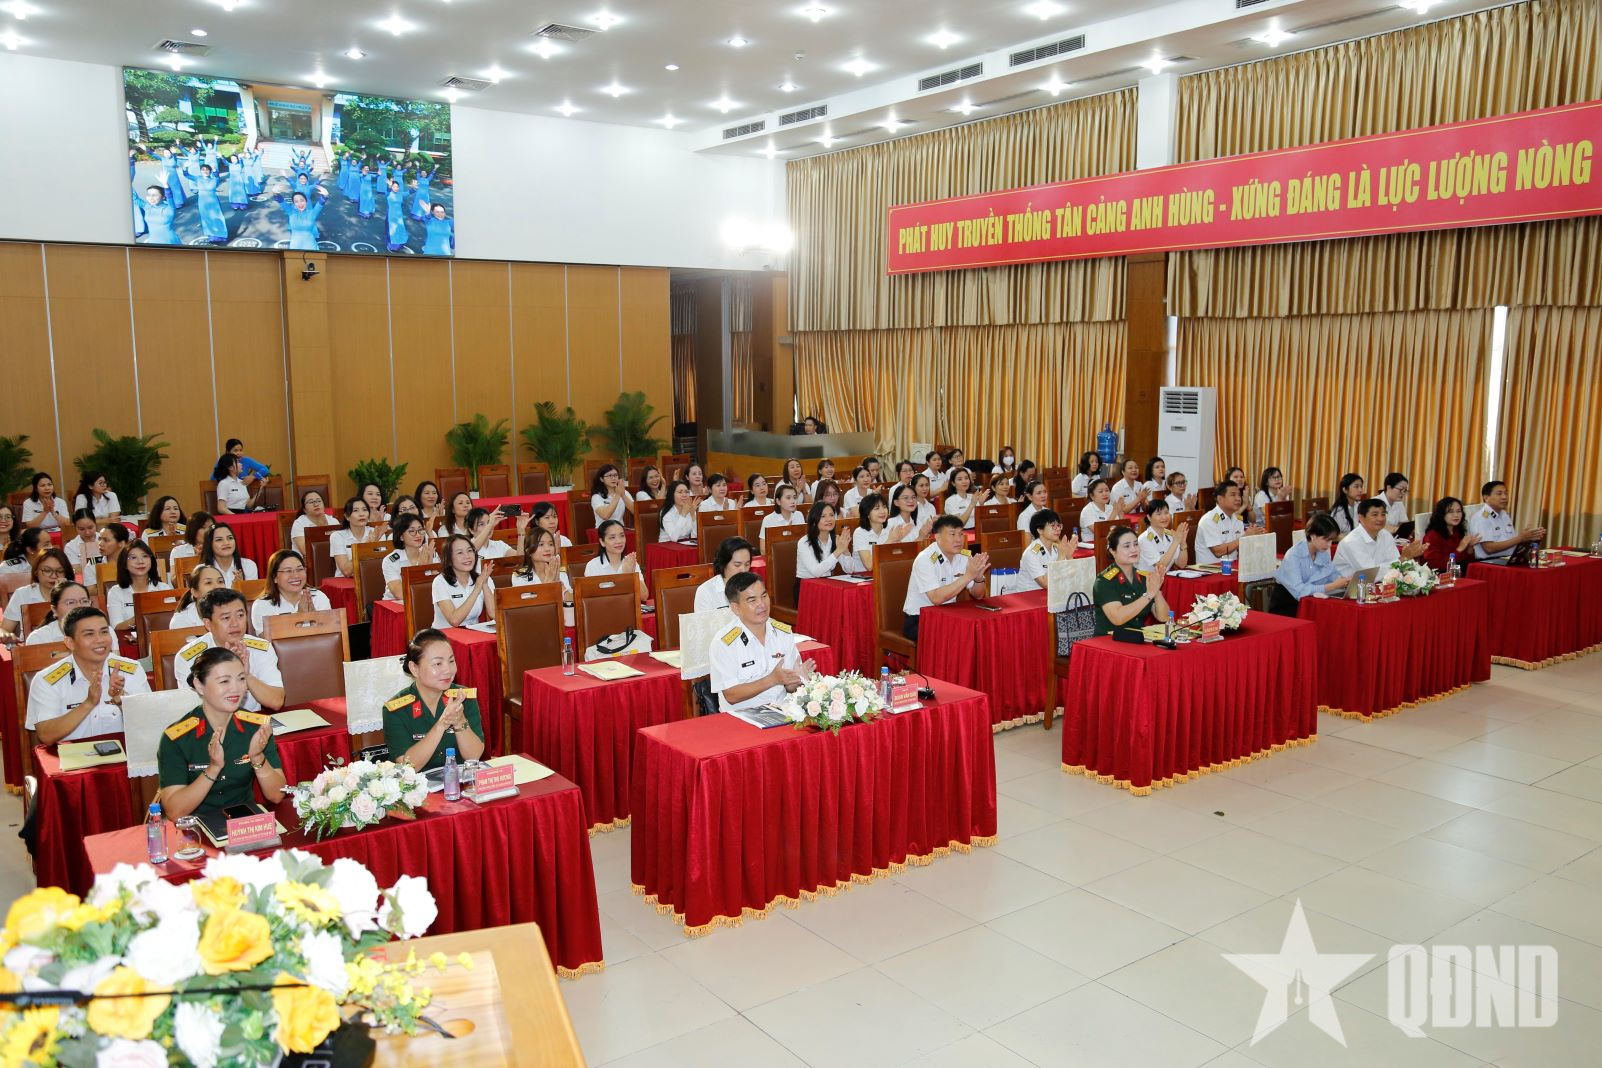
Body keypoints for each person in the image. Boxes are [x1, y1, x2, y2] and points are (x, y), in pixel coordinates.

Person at [156, 647, 286, 821]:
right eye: (224, 681)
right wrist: (213, 769)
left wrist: (257, 757)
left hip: (244, 824)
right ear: (199, 686)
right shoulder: (177, 738)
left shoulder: (256, 728)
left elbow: (277, 795)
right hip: (195, 826)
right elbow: (174, 811)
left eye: (241, 679)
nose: (235, 689)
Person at [26, 606, 151, 745]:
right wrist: (89, 703)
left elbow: (149, 724)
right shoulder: (47, 680)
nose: (100, 640)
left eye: (104, 632)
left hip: (122, 751)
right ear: (70, 643)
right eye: (89, 634)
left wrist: (121, 700)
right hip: (71, 756)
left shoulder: (130, 670)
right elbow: (46, 735)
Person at [709, 572, 816, 714]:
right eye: (752, 600)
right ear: (736, 608)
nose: (762, 604)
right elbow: (731, 695)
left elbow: (790, 687)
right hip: (741, 716)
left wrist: (798, 679)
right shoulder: (724, 643)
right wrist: (772, 679)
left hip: (780, 711)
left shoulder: (783, 633)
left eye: (764, 596)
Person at [384, 629, 486, 770]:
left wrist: (459, 721)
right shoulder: (396, 710)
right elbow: (407, 767)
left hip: (459, 779)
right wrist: (441, 724)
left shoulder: (462, 697)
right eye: (438, 664)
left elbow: (473, 756)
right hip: (418, 782)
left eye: (451, 661)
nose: (448, 670)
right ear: (414, 668)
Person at [172, 589, 284, 711]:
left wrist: (245, 675)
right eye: (226, 618)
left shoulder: (262, 649)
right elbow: (192, 709)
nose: (235, 624)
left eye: (240, 615)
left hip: (251, 719)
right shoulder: (188, 657)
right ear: (208, 623)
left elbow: (276, 701)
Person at [902, 516, 989, 641]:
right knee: (960, 636)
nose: (958, 539)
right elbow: (936, 598)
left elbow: (978, 595)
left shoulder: (964, 556)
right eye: (952, 534)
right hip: (920, 619)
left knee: (979, 630)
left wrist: (978, 578)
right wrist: (969, 575)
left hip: (949, 615)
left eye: (960, 534)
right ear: (938, 537)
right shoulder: (925, 559)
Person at [1094, 526, 1171, 638]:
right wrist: (1148, 595)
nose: (1134, 549)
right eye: (1127, 546)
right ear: (1113, 551)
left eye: (1136, 544)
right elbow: (1118, 618)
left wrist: (1156, 590)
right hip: (1109, 640)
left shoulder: (1144, 577)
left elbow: (1164, 617)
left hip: (1137, 639)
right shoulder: (1104, 581)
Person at [1272, 513, 1346, 612]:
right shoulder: (1293, 555)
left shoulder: (1323, 553)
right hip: (1287, 605)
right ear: (1312, 535)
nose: (1329, 545)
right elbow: (1299, 592)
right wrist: (1334, 586)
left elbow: (1332, 574)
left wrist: (1344, 581)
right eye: (1326, 540)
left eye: (1331, 540)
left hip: (1311, 603)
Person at [1333, 498, 1421, 576]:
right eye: (1375, 515)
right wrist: (1402, 558)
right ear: (1361, 517)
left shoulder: (1385, 535)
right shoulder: (1352, 541)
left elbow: (1395, 563)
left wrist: (1405, 559)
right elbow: (1370, 574)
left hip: (1376, 584)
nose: (1380, 519)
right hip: (1348, 587)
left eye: (1383, 514)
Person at [251, 549, 331, 632]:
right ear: (274, 577)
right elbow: (267, 638)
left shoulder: (318, 597)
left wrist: (314, 618)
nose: (296, 575)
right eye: (288, 571)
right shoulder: (262, 605)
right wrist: (299, 616)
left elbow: (330, 635)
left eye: (299, 569)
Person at [1, 550, 70, 640]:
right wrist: (6, 635)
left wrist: (64, 592)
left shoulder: (75, 592)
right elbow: (5, 628)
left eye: (60, 571)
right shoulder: (22, 594)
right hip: (32, 646)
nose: (54, 576)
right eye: (47, 570)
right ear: (36, 571)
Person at [431, 534, 496, 629]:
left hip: (473, 632)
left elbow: (494, 614)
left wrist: (485, 584)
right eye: (460, 553)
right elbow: (454, 620)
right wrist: (477, 589)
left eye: (470, 551)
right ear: (449, 558)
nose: (467, 556)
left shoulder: (482, 577)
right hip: (445, 635)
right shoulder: (440, 582)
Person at [106, 540, 170, 634]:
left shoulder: (164, 589)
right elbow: (116, 626)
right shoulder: (115, 592)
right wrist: (141, 615)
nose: (140, 561)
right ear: (124, 564)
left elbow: (170, 621)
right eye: (133, 557)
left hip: (160, 636)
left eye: (145, 556)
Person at [1195, 482, 1263, 565]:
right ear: (1220, 499)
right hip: (1210, 569)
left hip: (1232, 565)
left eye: (1239, 495)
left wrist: (1256, 538)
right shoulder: (1209, 520)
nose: (1238, 498)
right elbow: (1218, 552)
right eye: (1233, 495)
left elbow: (1241, 547)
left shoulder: (1237, 518)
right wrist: (1245, 537)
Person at [796, 501, 864, 581]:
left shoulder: (835, 539)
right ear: (814, 521)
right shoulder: (804, 542)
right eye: (823, 516)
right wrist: (838, 551)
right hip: (806, 584)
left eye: (831, 515)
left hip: (826, 583)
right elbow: (816, 572)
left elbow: (850, 570)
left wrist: (845, 551)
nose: (829, 519)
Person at [1418, 497, 1483, 573]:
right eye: (1451, 512)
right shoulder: (1432, 536)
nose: (1456, 515)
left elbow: (1468, 562)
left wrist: (1470, 547)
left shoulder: (1458, 530)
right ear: (1441, 514)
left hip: (1459, 572)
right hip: (1441, 575)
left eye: (1458, 511)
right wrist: (1460, 548)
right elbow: (1434, 566)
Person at [383, 514, 440, 600]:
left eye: (420, 530)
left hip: (424, 600)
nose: (418, 535)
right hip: (395, 604)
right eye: (412, 531)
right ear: (401, 536)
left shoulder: (430, 553)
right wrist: (420, 570)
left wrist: (431, 569)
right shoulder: (390, 561)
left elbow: (440, 588)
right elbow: (399, 594)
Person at [695, 537, 754, 612]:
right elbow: (704, 619)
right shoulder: (705, 591)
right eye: (737, 565)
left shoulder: (754, 586)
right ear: (724, 563)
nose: (743, 570)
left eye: (747, 564)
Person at [25, 582, 92, 646]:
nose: (79, 607)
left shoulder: (98, 630)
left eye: (84, 601)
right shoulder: (39, 639)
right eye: (70, 602)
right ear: (54, 610)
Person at [331, 497, 381, 577]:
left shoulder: (376, 532)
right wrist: (367, 545)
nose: (361, 514)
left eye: (364, 510)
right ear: (347, 516)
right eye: (355, 510)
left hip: (371, 577)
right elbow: (346, 571)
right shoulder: (337, 536)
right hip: (345, 580)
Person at [1138, 499, 1189, 575]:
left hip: (1165, 577)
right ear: (1149, 517)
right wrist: (1175, 542)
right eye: (1158, 514)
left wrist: (1182, 543)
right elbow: (1160, 567)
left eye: (1166, 513)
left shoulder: (1170, 535)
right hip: (1148, 579)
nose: (1164, 517)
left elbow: (1181, 564)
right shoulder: (1144, 539)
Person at [201, 521, 258, 587]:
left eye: (230, 538)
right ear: (209, 544)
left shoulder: (248, 566)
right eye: (219, 540)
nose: (226, 543)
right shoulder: (201, 570)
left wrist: (241, 587)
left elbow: (252, 593)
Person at [1019, 508, 1065, 590]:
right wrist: (1061, 557)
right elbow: (1045, 584)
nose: (1058, 529)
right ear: (1040, 530)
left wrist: (1069, 555)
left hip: (1051, 592)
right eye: (1053, 526)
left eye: (1059, 525)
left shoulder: (1056, 548)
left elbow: (1069, 575)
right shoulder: (1031, 553)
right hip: (1030, 594)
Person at [170, 564, 225, 630]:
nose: (217, 586)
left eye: (220, 581)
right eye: (208, 582)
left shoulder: (233, 611)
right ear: (195, 592)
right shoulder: (181, 621)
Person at [289, 490, 341, 557]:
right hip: (306, 562)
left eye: (319, 501)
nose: (316, 504)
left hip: (332, 560)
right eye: (311, 502)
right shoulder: (299, 524)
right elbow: (305, 551)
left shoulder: (333, 521)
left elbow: (342, 545)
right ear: (304, 509)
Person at [759, 483, 806, 548]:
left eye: (795, 497)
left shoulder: (799, 515)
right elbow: (763, 549)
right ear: (778, 501)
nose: (793, 501)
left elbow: (804, 542)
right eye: (788, 498)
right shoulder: (768, 520)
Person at [853, 493, 891, 568]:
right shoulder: (859, 533)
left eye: (884, 507)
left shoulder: (890, 529)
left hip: (885, 571)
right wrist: (891, 540)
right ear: (867, 513)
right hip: (864, 574)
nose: (882, 511)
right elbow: (869, 566)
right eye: (877, 508)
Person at [62, 509, 103, 578]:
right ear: (75, 528)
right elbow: (77, 571)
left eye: (90, 527)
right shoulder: (70, 547)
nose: (87, 532)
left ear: (95, 524)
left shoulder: (105, 539)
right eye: (82, 529)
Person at [660, 479, 700, 543]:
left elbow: (695, 537)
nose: (684, 495)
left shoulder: (690, 509)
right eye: (680, 492)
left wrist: (693, 515)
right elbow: (674, 538)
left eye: (686, 492)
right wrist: (683, 514)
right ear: (672, 495)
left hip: (684, 544)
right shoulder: (667, 512)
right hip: (666, 544)